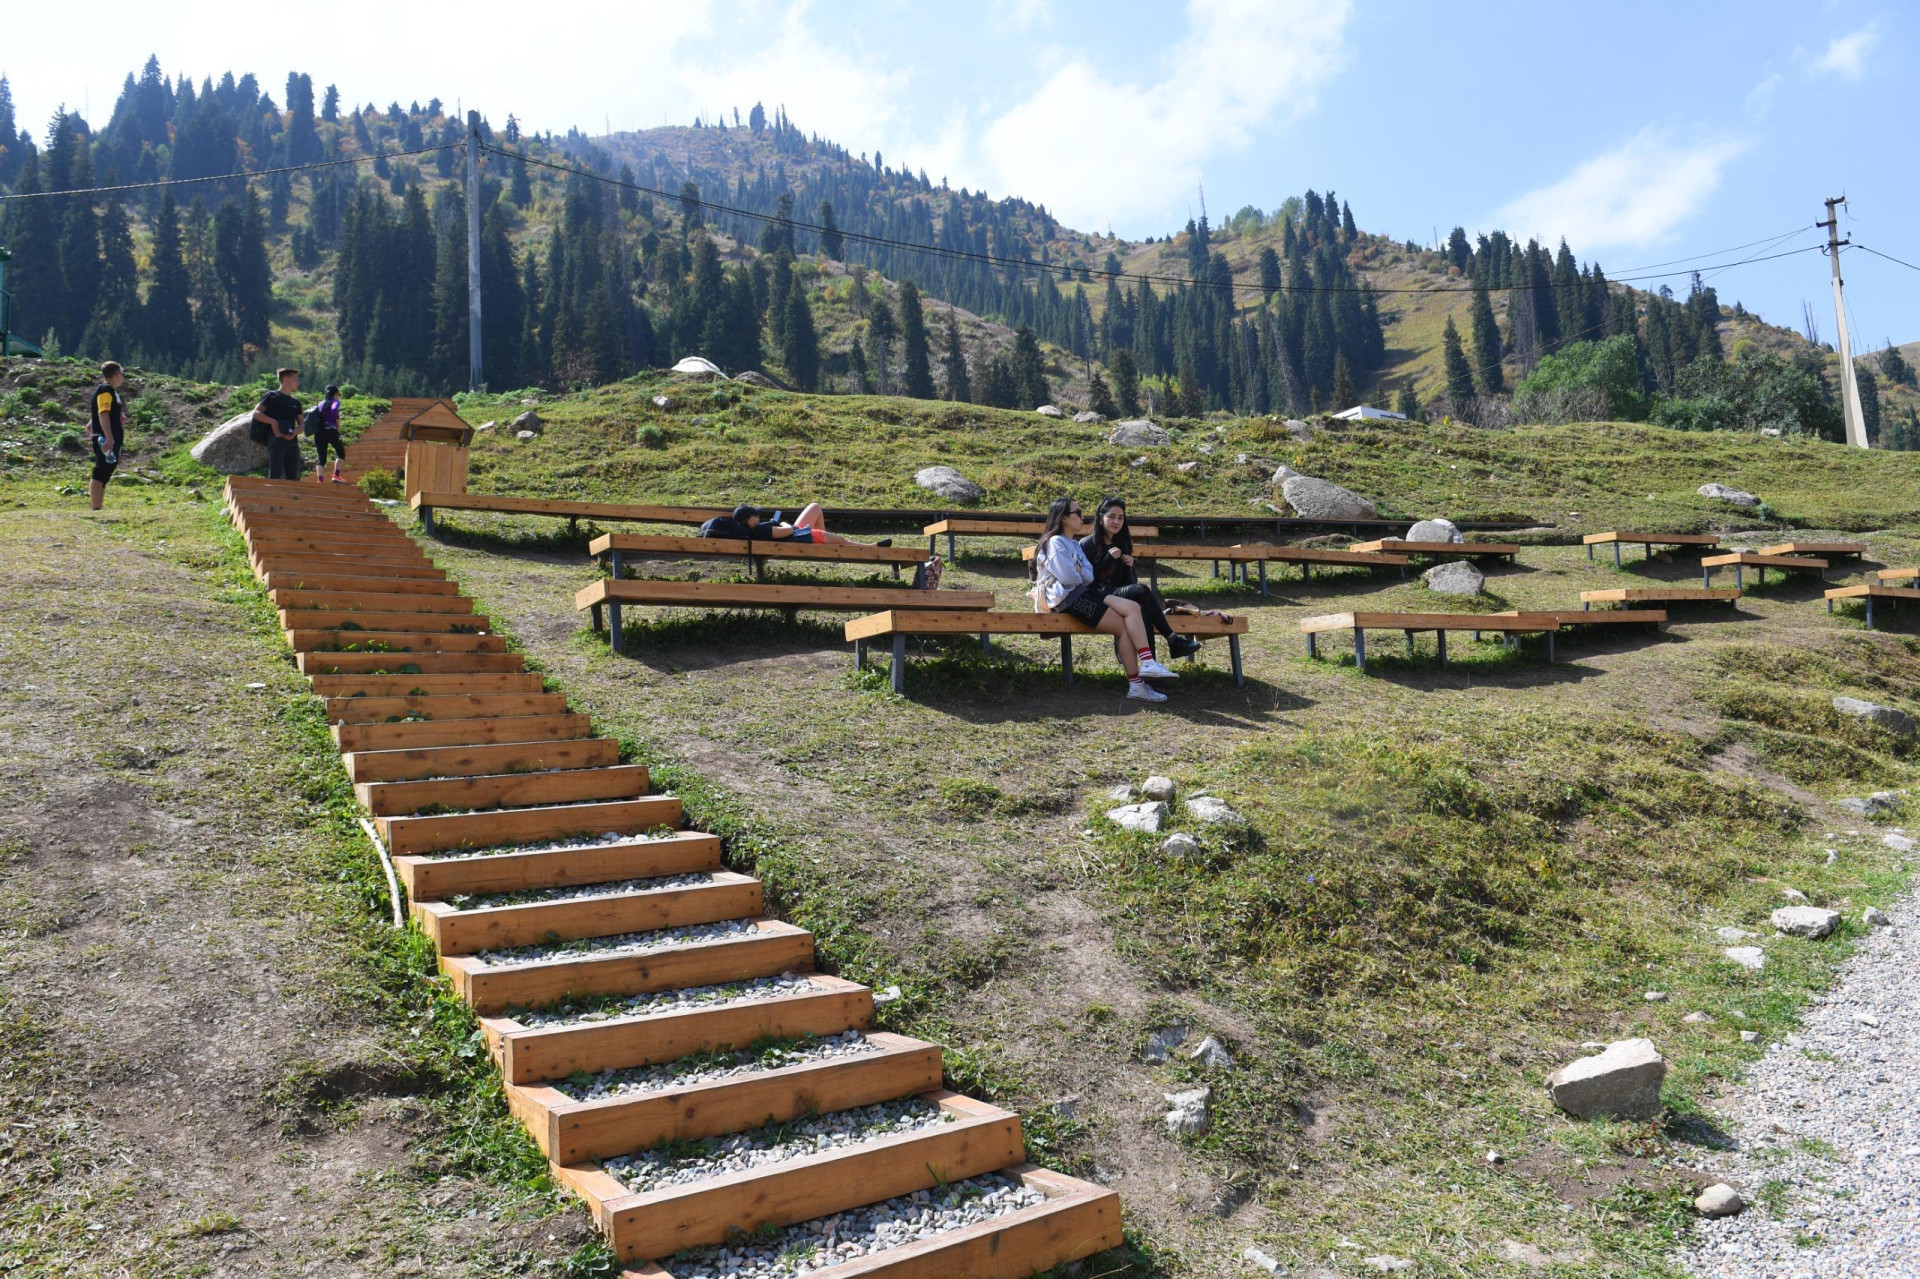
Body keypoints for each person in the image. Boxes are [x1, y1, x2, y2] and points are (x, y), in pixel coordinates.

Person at [1031, 495, 1177, 703]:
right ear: (1063, 518)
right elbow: (1070, 578)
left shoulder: (1073, 545)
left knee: (1132, 608)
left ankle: (1147, 665)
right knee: (1124, 627)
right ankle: (1138, 683)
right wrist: (1079, 571)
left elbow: (1088, 575)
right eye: (1077, 513)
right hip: (1067, 600)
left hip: (1082, 593)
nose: (1082, 516)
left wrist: (1079, 570)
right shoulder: (1055, 543)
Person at [1081, 496, 1200, 662]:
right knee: (1141, 590)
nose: (1116, 521)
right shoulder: (1087, 544)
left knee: (1143, 608)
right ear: (1101, 518)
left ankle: (1151, 664)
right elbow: (1086, 580)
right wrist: (1107, 559)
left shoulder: (1123, 543)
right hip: (1096, 595)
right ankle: (1173, 640)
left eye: (1120, 518)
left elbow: (1129, 584)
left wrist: (1129, 567)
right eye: (1111, 516)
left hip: (1116, 593)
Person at [703, 502, 889, 548]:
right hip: (801, 536)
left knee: (815, 507)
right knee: (842, 540)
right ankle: (870, 547)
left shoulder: (756, 530)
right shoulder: (761, 530)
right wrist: (782, 523)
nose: (758, 517)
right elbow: (788, 531)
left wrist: (776, 524)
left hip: (797, 535)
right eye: (755, 515)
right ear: (749, 520)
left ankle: (826, 545)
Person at [86, 361, 126, 510]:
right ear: (116, 375)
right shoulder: (106, 390)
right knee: (102, 469)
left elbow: (101, 412)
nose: (122, 377)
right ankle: (96, 507)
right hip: (105, 437)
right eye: (121, 373)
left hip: (111, 436)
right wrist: (109, 437)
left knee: (108, 467)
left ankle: (98, 506)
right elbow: (103, 413)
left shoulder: (111, 392)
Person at [253, 368, 304, 481]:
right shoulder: (272, 396)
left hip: (292, 442)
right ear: (286, 380)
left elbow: (302, 424)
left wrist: (294, 433)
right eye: (295, 379)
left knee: (293, 476)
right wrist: (273, 422)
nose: (298, 382)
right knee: (275, 473)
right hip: (275, 439)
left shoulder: (296, 402)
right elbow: (256, 413)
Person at [309, 384, 346, 483]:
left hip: (319, 432)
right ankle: (336, 475)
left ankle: (320, 480)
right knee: (341, 453)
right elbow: (334, 409)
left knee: (321, 458)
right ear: (336, 394)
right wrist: (336, 420)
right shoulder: (335, 402)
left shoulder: (320, 403)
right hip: (331, 430)